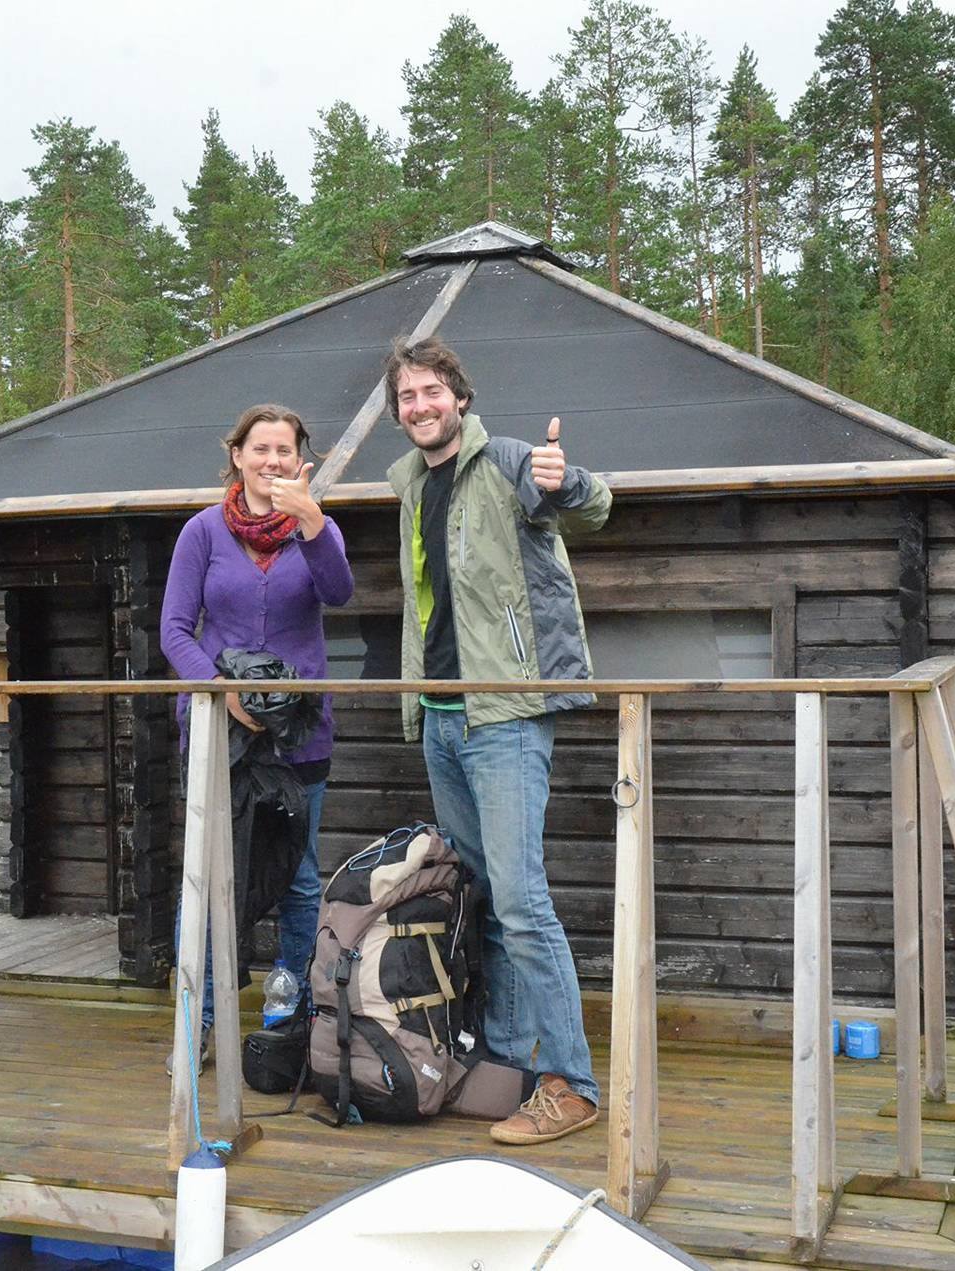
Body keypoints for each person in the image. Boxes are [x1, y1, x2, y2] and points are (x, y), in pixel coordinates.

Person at [383, 336, 612, 1145]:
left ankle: (573, 1084)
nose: (420, 406)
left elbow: (593, 505)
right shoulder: (412, 486)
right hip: (442, 717)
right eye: (407, 396)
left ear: (460, 398)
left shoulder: (512, 461)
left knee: (521, 901)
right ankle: (511, 1064)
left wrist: (566, 479)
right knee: (480, 897)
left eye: (431, 391)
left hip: (508, 715)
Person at [161, 403, 355, 1059]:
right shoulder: (202, 532)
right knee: (208, 877)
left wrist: (313, 523)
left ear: (301, 459)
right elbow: (174, 631)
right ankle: (199, 1021)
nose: (272, 461)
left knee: (298, 878)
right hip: (222, 736)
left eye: (284, 450)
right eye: (261, 449)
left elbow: (340, 592)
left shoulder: (316, 527)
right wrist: (226, 693)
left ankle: (285, 1014)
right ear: (237, 455)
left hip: (301, 736)